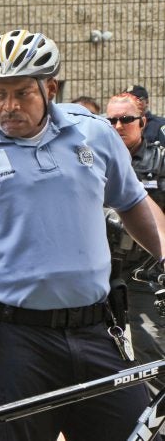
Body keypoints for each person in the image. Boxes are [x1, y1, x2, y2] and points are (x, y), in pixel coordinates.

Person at [0, 29, 165, 440]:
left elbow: (132, 202)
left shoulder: (94, 134)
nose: (8, 106)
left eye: (21, 93)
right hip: (13, 344)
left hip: (97, 331)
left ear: (49, 88)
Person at [106, 91, 165, 388]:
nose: (118, 126)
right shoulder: (92, 160)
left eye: (126, 119)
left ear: (142, 122)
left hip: (146, 276)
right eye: (111, 120)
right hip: (102, 276)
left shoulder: (161, 161)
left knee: (153, 349)